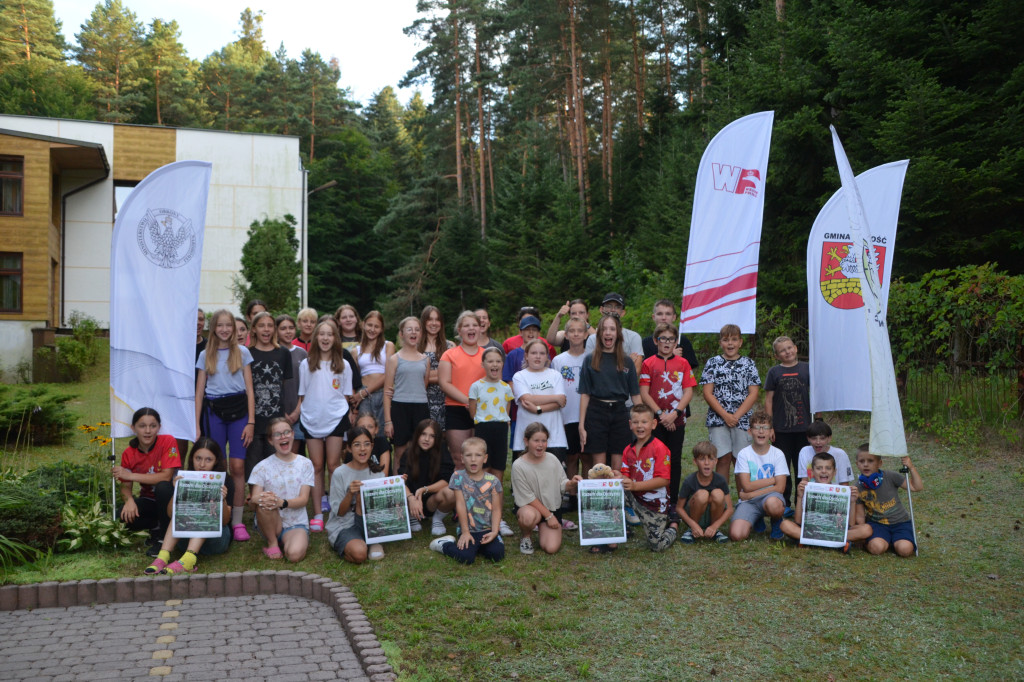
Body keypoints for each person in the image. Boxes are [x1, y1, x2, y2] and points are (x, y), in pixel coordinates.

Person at [195, 309, 255, 542]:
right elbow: (199, 392)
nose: (224, 329)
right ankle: (215, 513)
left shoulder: (242, 352)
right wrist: (197, 425)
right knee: (216, 464)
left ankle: (237, 520)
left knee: (237, 466)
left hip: (240, 412)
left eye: (228, 325)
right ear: (213, 327)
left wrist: (251, 421)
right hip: (214, 413)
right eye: (219, 325)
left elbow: (250, 389)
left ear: (233, 328)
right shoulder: (205, 354)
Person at [297, 319, 354, 533]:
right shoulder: (306, 364)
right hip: (312, 419)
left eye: (330, 334)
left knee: (333, 466)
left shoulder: (343, 365)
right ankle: (318, 515)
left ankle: (339, 510)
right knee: (317, 466)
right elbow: (302, 395)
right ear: (315, 338)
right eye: (322, 334)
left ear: (335, 338)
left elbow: (345, 396)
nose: (325, 338)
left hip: (336, 418)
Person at [144, 437, 231, 575]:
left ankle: (188, 561)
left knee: (202, 511)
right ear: (192, 459)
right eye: (198, 458)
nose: (202, 464)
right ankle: (163, 557)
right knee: (182, 511)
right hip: (185, 540)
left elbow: (226, 521)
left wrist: (223, 499)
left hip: (215, 540)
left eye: (208, 460)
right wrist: (176, 492)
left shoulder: (224, 480)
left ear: (216, 461)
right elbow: (171, 514)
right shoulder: (185, 477)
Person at [639, 323, 697, 506]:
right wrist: (661, 415)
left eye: (671, 339)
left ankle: (673, 501)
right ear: (656, 341)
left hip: (677, 420)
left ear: (675, 343)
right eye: (663, 338)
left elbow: (688, 391)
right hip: (655, 421)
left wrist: (675, 413)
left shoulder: (683, 363)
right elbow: (644, 392)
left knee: (674, 459)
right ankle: (656, 497)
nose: (667, 342)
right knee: (656, 458)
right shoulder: (648, 363)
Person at [114, 407, 181, 557]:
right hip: (149, 500)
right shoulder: (128, 453)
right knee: (122, 516)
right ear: (133, 428)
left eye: (153, 426)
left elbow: (165, 476)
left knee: (162, 487)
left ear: (159, 427)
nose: (148, 430)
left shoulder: (168, 441)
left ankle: (163, 539)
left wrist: (131, 475)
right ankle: (156, 526)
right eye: (142, 426)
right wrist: (129, 500)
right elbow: (125, 485)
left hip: (171, 500)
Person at [578, 315, 641, 473]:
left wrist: (642, 421)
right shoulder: (590, 360)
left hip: (620, 413)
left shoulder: (627, 362)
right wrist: (581, 425)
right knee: (599, 466)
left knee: (617, 465)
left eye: (612, 329)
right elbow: (585, 394)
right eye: (604, 329)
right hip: (596, 412)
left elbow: (636, 396)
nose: (608, 332)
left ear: (618, 334)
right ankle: (601, 496)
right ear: (599, 334)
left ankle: (616, 497)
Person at [429, 437, 506, 564]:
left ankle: (482, 545)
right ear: (462, 458)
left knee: (497, 555)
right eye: (469, 455)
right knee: (466, 558)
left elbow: (497, 509)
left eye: (478, 455)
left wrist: (494, 531)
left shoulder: (493, 481)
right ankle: (444, 544)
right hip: (469, 530)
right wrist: (465, 532)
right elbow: (460, 505)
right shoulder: (458, 477)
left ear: (485, 458)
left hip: (488, 529)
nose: (473, 459)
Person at [613, 404, 678, 552]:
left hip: (654, 504)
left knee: (657, 545)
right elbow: (626, 477)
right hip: (635, 498)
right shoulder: (627, 450)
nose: (639, 426)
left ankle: (673, 524)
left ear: (653, 424)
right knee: (610, 491)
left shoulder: (660, 448)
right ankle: (619, 528)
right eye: (635, 422)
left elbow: (664, 480)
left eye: (644, 422)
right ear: (630, 425)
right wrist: (617, 476)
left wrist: (635, 486)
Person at [248, 418, 314, 562]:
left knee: (294, 555)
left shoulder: (305, 463)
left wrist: (281, 502)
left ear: (293, 434)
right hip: (271, 520)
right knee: (264, 500)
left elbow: (303, 499)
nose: (283, 437)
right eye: (278, 434)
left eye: (286, 432)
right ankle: (272, 542)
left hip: (296, 522)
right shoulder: (261, 467)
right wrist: (263, 499)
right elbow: (254, 500)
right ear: (271, 440)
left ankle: (290, 540)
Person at [700, 323, 760, 478]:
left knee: (740, 460)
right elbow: (707, 393)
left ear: (740, 342)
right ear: (721, 343)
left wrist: (736, 416)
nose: (730, 343)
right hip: (718, 419)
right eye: (726, 340)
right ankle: (721, 499)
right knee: (723, 458)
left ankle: (743, 499)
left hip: (743, 418)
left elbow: (753, 393)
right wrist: (725, 415)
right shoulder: (712, 363)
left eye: (734, 339)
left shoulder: (749, 364)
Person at [778, 452, 871, 550]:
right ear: (812, 472)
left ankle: (809, 541)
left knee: (866, 529)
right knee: (785, 525)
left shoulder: (841, 491)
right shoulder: (807, 488)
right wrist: (799, 496)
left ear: (834, 472)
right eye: (819, 468)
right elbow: (798, 521)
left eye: (828, 468)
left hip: (836, 530)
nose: (823, 471)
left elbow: (850, 525)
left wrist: (852, 501)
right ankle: (836, 543)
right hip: (811, 529)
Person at [511, 422, 580, 555]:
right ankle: (526, 536)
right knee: (528, 516)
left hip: (552, 508)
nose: (540, 444)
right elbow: (527, 497)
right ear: (526, 441)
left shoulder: (552, 459)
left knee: (551, 548)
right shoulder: (518, 465)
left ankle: (543, 529)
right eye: (536, 440)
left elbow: (562, 483)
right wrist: (549, 517)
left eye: (544, 440)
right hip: (531, 508)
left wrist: (572, 483)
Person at [764, 335, 812, 509]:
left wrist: (818, 421)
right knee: (783, 469)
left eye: (789, 347)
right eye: (782, 350)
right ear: (777, 356)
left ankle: (804, 504)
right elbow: (769, 400)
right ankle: (784, 505)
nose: (787, 352)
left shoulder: (808, 369)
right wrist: (769, 425)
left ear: (796, 348)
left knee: (804, 469)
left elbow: (817, 396)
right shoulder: (774, 372)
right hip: (781, 429)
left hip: (805, 429)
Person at [326, 426, 387, 563]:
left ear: (372, 446)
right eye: (357, 445)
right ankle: (361, 542)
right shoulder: (340, 473)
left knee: (364, 494)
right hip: (344, 524)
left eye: (366, 444)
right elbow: (339, 513)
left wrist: (397, 485)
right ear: (349, 448)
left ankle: (372, 539)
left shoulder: (378, 474)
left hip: (371, 523)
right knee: (359, 554)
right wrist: (349, 494)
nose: (362, 449)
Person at [246, 311, 292, 481]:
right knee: (253, 465)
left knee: (276, 463)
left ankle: (274, 500)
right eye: (261, 325)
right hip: (254, 419)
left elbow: (285, 386)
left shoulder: (283, 353)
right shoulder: (246, 353)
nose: (266, 330)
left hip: (276, 420)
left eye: (270, 326)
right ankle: (256, 500)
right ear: (254, 329)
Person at [729, 410, 787, 542]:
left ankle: (776, 521)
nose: (761, 431)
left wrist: (749, 495)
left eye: (765, 428)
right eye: (757, 428)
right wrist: (773, 480)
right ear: (750, 431)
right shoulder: (744, 454)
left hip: (769, 498)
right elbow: (747, 486)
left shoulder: (778, 454)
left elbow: (781, 488)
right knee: (736, 535)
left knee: (774, 505)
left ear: (771, 431)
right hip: (750, 502)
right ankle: (756, 518)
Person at [855, 444, 923, 557]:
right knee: (876, 548)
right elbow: (860, 516)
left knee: (905, 550)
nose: (866, 464)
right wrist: (862, 538)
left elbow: (916, 487)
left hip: (900, 522)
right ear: (857, 464)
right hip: (877, 525)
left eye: (870, 461)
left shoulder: (891, 476)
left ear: (879, 463)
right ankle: (884, 541)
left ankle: (895, 541)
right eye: (862, 461)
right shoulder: (857, 487)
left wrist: (911, 467)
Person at [438, 310, 486, 469]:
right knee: (459, 459)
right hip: (456, 409)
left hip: (483, 410)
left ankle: (480, 493)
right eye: (466, 326)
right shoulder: (449, 354)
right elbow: (444, 383)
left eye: (474, 325)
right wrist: (468, 401)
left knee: (480, 459)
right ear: (459, 331)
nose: (471, 329)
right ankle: (460, 494)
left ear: (480, 329)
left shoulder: (487, 355)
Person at [383, 316, 430, 474]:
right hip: (400, 408)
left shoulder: (425, 360)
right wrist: (388, 421)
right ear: (401, 334)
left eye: (417, 329)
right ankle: (398, 491)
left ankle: (417, 488)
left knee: (420, 450)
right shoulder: (394, 359)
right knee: (400, 452)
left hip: (421, 408)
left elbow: (423, 384)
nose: (413, 332)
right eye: (409, 329)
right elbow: (387, 391)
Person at [401, 419, 457, 536]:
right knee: (400, 490)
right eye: (423, 434)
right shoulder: (408, 452)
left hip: (432, 499)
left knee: (452, 492)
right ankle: (412, 515)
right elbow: (401, 481)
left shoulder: (442, 451)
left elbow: (447, 480)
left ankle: (437, 519)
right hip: (411, 498)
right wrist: (411, 498)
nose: (427, 439)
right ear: (417, 435)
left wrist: (424, 489)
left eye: (432, 436)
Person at [467, 346, 514, 482]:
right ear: (483, 364)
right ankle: (481, 498)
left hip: (501, 429)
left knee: (498, 467)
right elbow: (472, 411)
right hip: (483, 428)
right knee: (484, 465)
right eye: (490, 361)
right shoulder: (476, 386)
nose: (494, 364)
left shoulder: (506, 387)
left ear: (502, 364)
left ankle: (496, 499)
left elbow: (507, 408)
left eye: (498, 361)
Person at [551, 317, 588, 490]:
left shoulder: (592, 357)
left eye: (580, 331)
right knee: (571, 456)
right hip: (566, 415)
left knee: (587, 456)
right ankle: (572, 493)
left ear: (586, 334)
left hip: (588, 414)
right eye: (572, 331)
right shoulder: (558, 360)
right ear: (566, 335)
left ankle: (586, 493)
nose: (576, 334)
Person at [677, 441, 732, 544]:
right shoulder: (689, 481)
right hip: (694, 515)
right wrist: (693, 525)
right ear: (695, 461)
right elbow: (679, 508)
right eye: (702, 459)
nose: (707, 463)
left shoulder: (720, 480)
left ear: (716, 461)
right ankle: (692, 531)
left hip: (713, 516)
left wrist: (715, 525)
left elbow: (729, 509)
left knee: (718, 494)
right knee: (702, 494)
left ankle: (714, 531)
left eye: (711, 459)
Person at [354, 310, 395, 427]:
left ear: (381, 329)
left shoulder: (388, 346)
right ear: (363, 325)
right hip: (363, 395)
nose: (372, 329)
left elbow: (389, 374)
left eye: (376, 326)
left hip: (382, 394)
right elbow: (355, 379)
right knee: (365, 430)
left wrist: (365, 392)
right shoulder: (356, 351)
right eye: (369, 325)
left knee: (381, 433)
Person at [584, 293, 643, 370]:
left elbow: (636, 371)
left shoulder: (634, 337)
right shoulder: (592, 339)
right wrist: (627, 363)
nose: (613, 310)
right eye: (609, 306)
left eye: (617, 307)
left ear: (623, 312)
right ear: (601, 310)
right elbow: (590, 369)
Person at [275, 314, 307, 455]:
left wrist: (297, 411)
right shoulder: (273, 352)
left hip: (298, 411)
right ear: (276, 331)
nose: (288, 331)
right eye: (283, 328)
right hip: (278, 411)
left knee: (294, 452)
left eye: (291, 328)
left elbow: (306, 386)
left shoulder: (302, 354)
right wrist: (283, 412)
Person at [419, 305, 454, 429]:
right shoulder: (416, 346)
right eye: (430, 319)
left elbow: (453, 374)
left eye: (437, 319)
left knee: (444, 442)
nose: (434, 323)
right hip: (422, 401)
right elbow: (413, 376)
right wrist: (441, 374)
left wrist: (426, 377)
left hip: (446, 401)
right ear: (423, 322)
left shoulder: (450, 346)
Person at [640, 299, 698, 369]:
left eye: (668, 314)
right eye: (660, 314)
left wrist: (677, 359)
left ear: (674, 317)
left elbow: (689, 370)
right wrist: (670, 356)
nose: (664, 318)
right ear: (653, 317)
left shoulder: (682, 341)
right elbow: (643, 369)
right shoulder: (646, 343)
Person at [797, 421, 855, 485]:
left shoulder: (840, 454)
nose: (818, 442)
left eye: (822, 438)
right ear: (808, 439)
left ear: (829, 438)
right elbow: (804, 481)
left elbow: (844, 483)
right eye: (814, 438)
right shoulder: (804, 452)